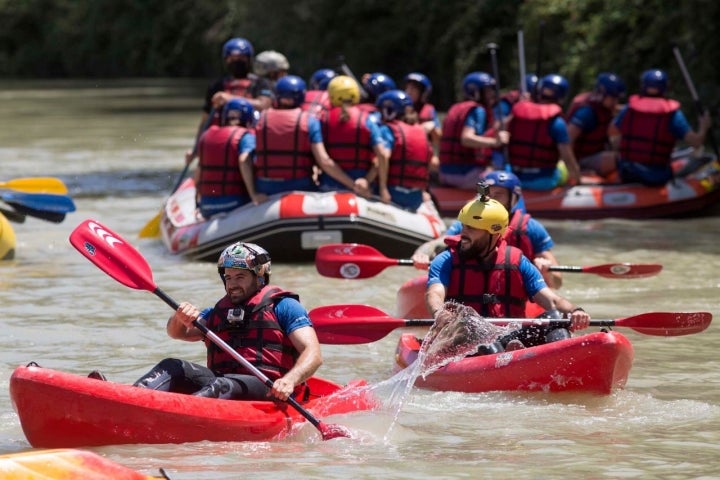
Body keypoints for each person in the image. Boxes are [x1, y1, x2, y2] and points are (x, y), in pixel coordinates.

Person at [133, 242, 322, 401]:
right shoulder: (216, 312)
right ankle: (134, 397)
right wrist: (180, 318)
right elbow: (176, 333)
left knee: (222, 385)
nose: (232, 284)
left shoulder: (284, 306)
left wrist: (290, 380)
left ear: (260, 277)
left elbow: (313, 354)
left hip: (268, 388)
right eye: (228, 277)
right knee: (173, 366)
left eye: (240, 277)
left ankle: (176, 413)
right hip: (224, 383)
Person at [425, 185, 590, 351]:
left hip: (506, 335)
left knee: (555, 319)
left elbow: (552, 300)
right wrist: (439, 312)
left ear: (494, 233)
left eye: (472, 228)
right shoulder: (446, 259)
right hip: (463, 338)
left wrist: (575, 310)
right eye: (464, 226)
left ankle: (562, 360)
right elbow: (435, 293)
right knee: (479, 334)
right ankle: (506, 357)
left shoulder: (517, 262)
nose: (464, 233)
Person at [412, 171, 562, 289]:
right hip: (475, 285)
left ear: (513, 200)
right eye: (488, 194)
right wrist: (422, 255)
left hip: (515, 287)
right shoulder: (470, 222)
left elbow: (557, 283)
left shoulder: (531, 228)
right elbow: (437, 244)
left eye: (498, 195)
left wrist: (546, 272)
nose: (491, 199)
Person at [253, 75, 361, 195]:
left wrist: (252, 193)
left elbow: (247, 156)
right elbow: (324, 161)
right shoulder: (309, 121)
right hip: (300, 185)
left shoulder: (260, 119)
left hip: (265, 186)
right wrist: (353, 185)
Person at [607, 69, 711, 186]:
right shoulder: (673, 114)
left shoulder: (629, 109)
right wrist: (704, 127)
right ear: (665, 88)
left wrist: (619, 144)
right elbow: (696, 142)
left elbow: (611, 131)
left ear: (643, 86)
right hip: (657, 176)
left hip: (628, 173)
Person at [185, 37, 273, 164]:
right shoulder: (216, 86)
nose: (236, 62)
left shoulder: (260, 84)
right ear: (226, 60)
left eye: (241, 58)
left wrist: (229, 98)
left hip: (250, 140)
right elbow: (205, 121)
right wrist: (196, 150)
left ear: (249, 59)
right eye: (232, 59)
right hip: (222, 141)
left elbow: (264, 105)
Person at [507, 73, 582, 189]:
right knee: (562, 167)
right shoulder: (557, 122)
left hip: (514, 177)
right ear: (562, 98)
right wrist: (577, 179)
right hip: (543, 181)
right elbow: (567, 158)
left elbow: (497, 131)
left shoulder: (516, 115)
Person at [439, 72, 509, 189]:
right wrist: (496, 142)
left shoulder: (456, 107)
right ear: (476, 92)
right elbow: (466, 139)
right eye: (487, 91)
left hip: (445, 174)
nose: (491, 94)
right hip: (465, 174)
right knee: (507, 180)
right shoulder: (477, 110)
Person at [193, 98, 261, 218]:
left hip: (207, 206)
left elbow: (199, 172)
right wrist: (254, 195)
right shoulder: (245, 136)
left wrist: (198, 204)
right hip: (235, 204)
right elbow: (244, 160)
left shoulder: (206, 135)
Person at [318, 75, 384, 196]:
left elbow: (324, 161)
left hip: (330, 186)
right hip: (363, 187)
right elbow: (382, 155)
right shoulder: (368, 120)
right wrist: (365, 182)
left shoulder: (322, 120)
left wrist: (352, 185)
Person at [374, 89, 433, 211]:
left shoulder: (388, 130)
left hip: (394, 193)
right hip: (416, 197)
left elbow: (383, 156)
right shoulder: (421, 131)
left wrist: (382, 188)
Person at [566, 72, 626, 177]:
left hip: (593, 154)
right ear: (602, 95)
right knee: (619, 158)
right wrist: (572, 167)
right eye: (613, 98)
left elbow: (620, 109)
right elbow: (568, 138)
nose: (615, 102)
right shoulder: (587, 113)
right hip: (581, 159)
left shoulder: (604, 107)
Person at [403, 72, 442, 181]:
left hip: (424, 153)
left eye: (413, 89)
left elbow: (438, 138)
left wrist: (433, 127)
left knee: (435, 163)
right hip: (405, 151)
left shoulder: (429, 110)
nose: (409, 92)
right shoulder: (401, 107)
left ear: (423, 93)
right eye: (408, 88)